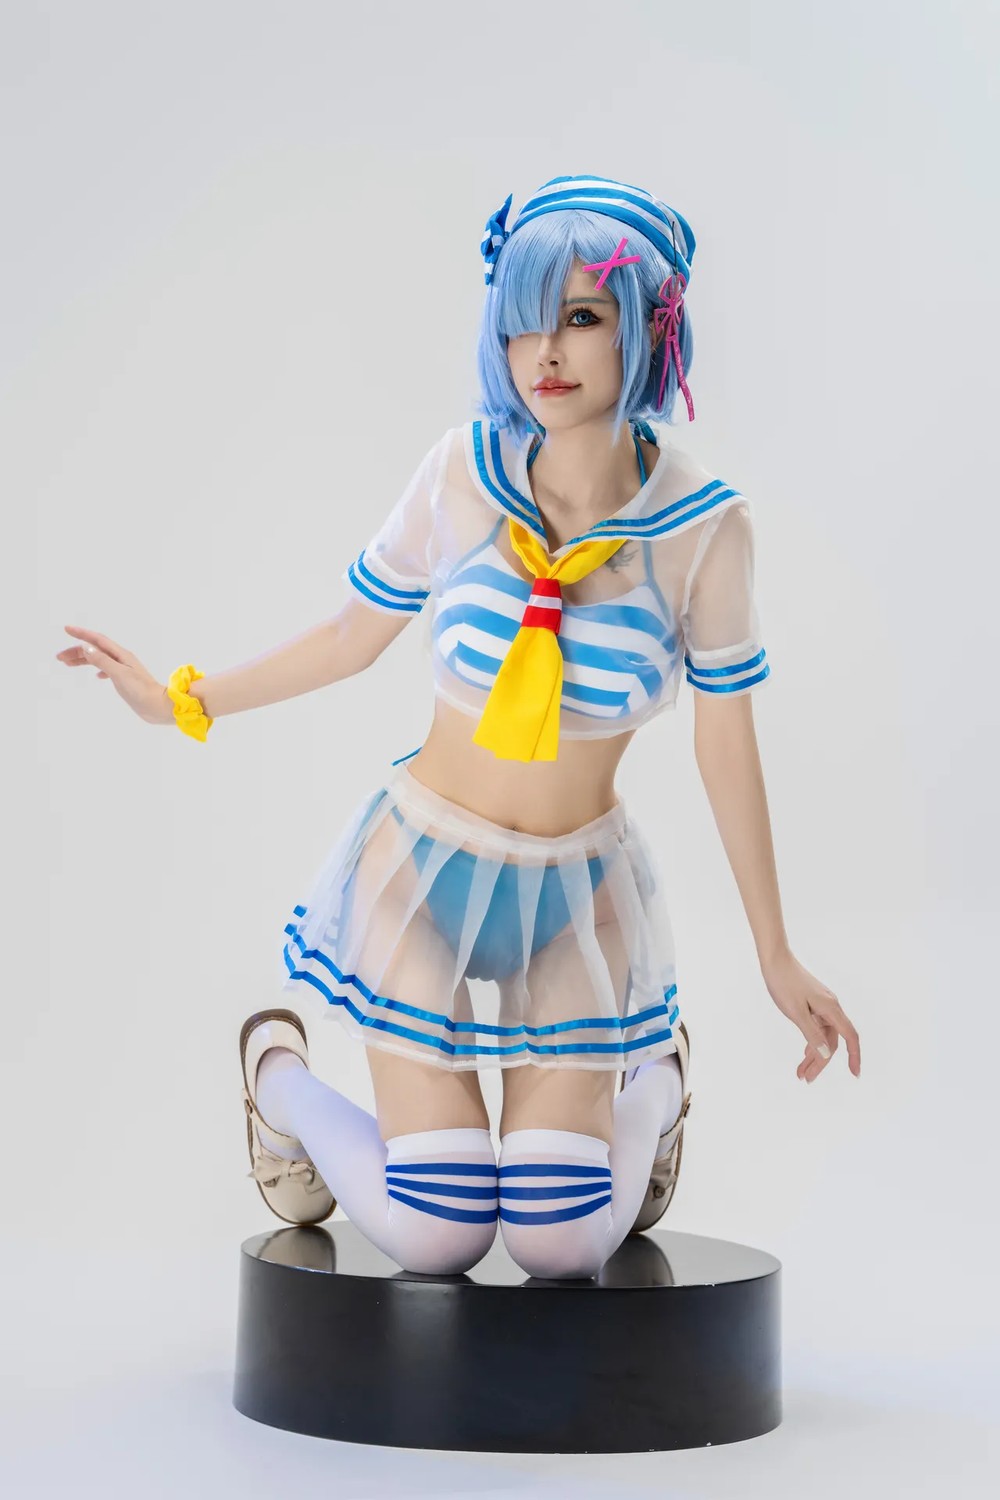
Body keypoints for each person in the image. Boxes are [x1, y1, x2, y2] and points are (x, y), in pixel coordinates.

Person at [57, 173, 861, 1281]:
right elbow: (348, 638)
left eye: (582, 316)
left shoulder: (703, 528)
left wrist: (775, 951)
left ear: (647, 325)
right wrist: (180, 699)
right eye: (523, 321)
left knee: (558, 1244)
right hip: (420, 870)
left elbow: (726, 744)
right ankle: (278, 1079)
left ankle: (658, 1083)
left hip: (577, 892)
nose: (547, 353)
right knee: (439, 1233)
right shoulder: (459, 474)